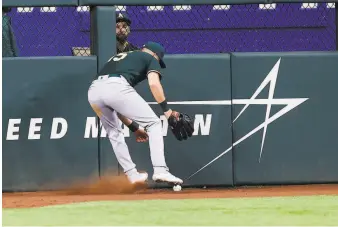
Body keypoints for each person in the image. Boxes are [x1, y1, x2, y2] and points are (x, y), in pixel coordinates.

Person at [88, 41, 184, 185]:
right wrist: (167, 111)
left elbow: (114, 102)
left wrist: (134, 127)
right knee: (154, 124)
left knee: (114, 134)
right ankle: (160, 170)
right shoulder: (150, 57)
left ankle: (132, 176)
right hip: (116, 85)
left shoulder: (122, 56)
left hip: (94, 91)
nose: (157, 62)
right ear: (155, 54)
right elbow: (153, 83)